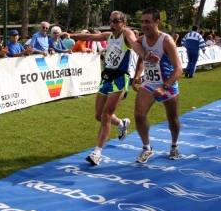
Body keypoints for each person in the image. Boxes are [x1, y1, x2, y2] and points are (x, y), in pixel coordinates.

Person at [63, 10, 159, 166]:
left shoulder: (126, 34)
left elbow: (134, 44)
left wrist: (146, 56)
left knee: (106, 114)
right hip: (106, 77)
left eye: (116, 21)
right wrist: (70, 35)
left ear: (123, 23)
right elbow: (88, 37)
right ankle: (122, 124)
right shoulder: (109, 36)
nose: (112, 24)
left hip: (120, 79)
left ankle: (97, 153)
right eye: (111, 21)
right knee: (99, 115)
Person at [131, 7, 183, 164]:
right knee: (139, 114)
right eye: (142, 22)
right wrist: (137, 76)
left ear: (157, 22)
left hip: (167, 84)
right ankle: (147, 148)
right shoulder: (142, 40)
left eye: (147, 22)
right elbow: (141, 58)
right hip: (149, 83)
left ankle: (174, 144)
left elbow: (179, 69)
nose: (144, 25)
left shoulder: (166, 40)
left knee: (172, 120)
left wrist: (165, 87)